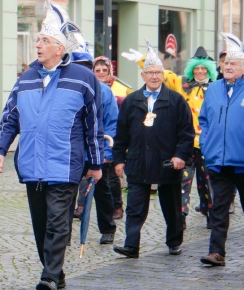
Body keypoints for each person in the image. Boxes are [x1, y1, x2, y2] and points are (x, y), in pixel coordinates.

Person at [0, 0, 103, 290]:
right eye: (38, 40)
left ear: (59, 48)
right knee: (41, 225)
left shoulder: (83, 79)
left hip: (65, 165)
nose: (37, 45)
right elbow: (10, 117)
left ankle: (50, 276)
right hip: (31, 164)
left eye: (43, 40)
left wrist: (96, 163)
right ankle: (56, 271)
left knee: (58, 221)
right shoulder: (26, 78)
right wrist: (0, 149)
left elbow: (94, 124)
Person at [112, 41, 194, 259]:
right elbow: (121, 133)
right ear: (143, 75)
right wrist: (119, 160)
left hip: (167, 162)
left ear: (163, 75)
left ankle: (174, 241)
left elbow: (186, 132)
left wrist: (180, 155)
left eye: (158, 72)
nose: (154, 77)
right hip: (138, 161)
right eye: (150, 73)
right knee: (135, 207)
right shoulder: (132, 101)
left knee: (171, 207)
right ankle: (131, 245)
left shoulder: (176, 100)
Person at [199, 33, 244, 266]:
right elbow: (204, 121)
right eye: (225, 63)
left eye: (233, 63)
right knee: (219, 207)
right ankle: (216, 252)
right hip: (218, 160)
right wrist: (206, 145)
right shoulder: (213, 89)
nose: (228, 67)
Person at [70, 39, 118, 246]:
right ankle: (63, 232)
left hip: (96, 150)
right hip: (72, 151)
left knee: (102, 192)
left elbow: (111, 122)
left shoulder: (104, 91)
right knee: (67, 193)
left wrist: (106, 153)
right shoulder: (67, 88)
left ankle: (107, 228)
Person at [179, 47, 217, 229]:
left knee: (206, 181)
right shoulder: (184, 88)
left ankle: (210, 213)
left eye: (203, 68)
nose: (200, 72)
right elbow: (165, 77)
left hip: (207, 143)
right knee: (183, 181)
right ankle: (181, 216)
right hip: (186, 142)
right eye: (196, 68)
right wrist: (144, 60)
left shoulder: (216, 88)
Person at [93, 55, 129, 220]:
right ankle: (82, 205)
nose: (101, 73)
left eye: (104, 70)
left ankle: (117, 206)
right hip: (97, 136)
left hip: (114, 135)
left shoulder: (119, 88)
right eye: (97, 70)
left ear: (110, 71)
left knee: (112, 175)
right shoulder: (90, 88)